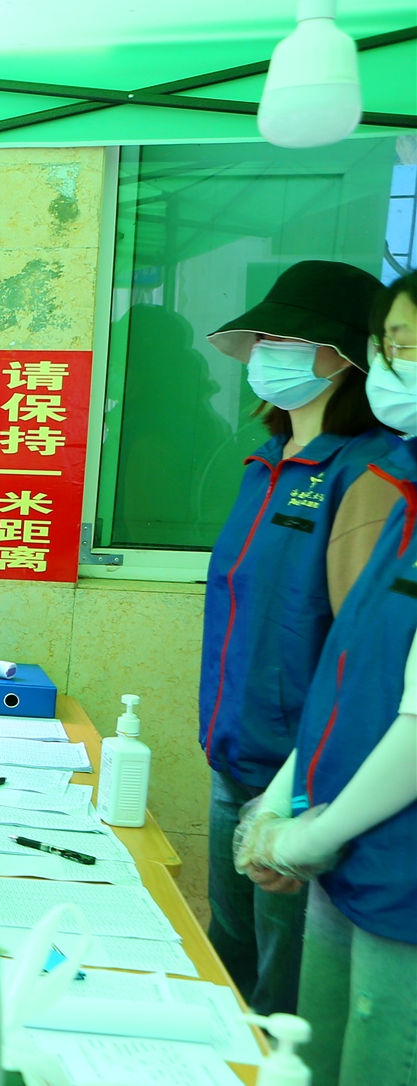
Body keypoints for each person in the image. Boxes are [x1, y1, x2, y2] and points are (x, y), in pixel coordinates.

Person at [239, 271, 417, 1086]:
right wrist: (286, 793)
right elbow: (345, 664)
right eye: (393, 341)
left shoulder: (376, 479)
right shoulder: (401, 490)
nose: (400, 364)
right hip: (339, 852)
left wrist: (310, 825)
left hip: (397, 875)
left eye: (410, 342)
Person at [199, 260, 396, 1016]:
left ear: (342, 355)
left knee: (283, 999)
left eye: (284, 337)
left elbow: (362, 655)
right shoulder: (264, 466)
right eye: (261, 338)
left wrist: (301, 801)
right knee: (231, 960)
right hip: (232, 758)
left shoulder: (370, 477)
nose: (263, 353)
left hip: (302, 786)